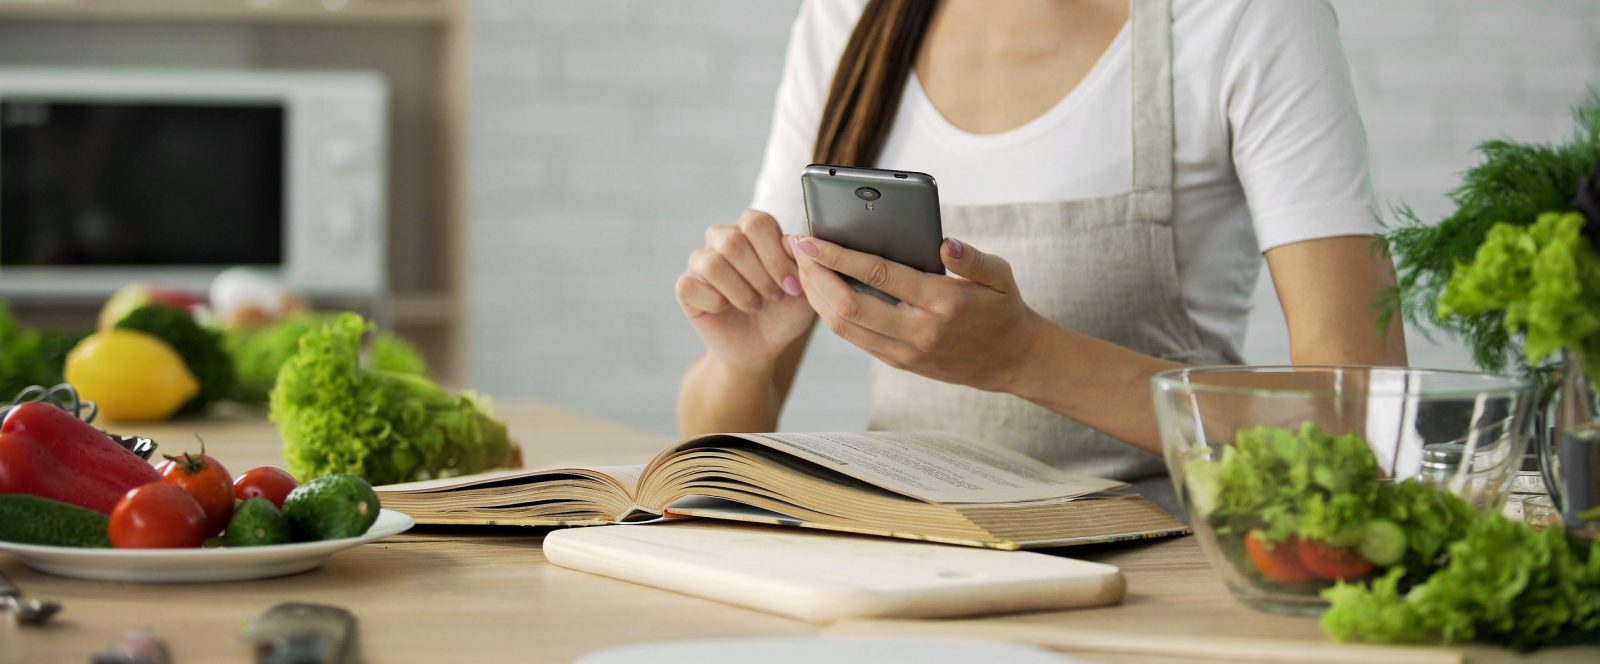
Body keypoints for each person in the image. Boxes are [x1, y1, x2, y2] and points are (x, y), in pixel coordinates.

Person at [673, 0, 1406, 512]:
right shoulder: (851, 22)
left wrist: (1024, 357)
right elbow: (716, 443)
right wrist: (742, 362)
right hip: (899, 566)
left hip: (1154, 584)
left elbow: (1363, 422)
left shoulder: (1245, 18)